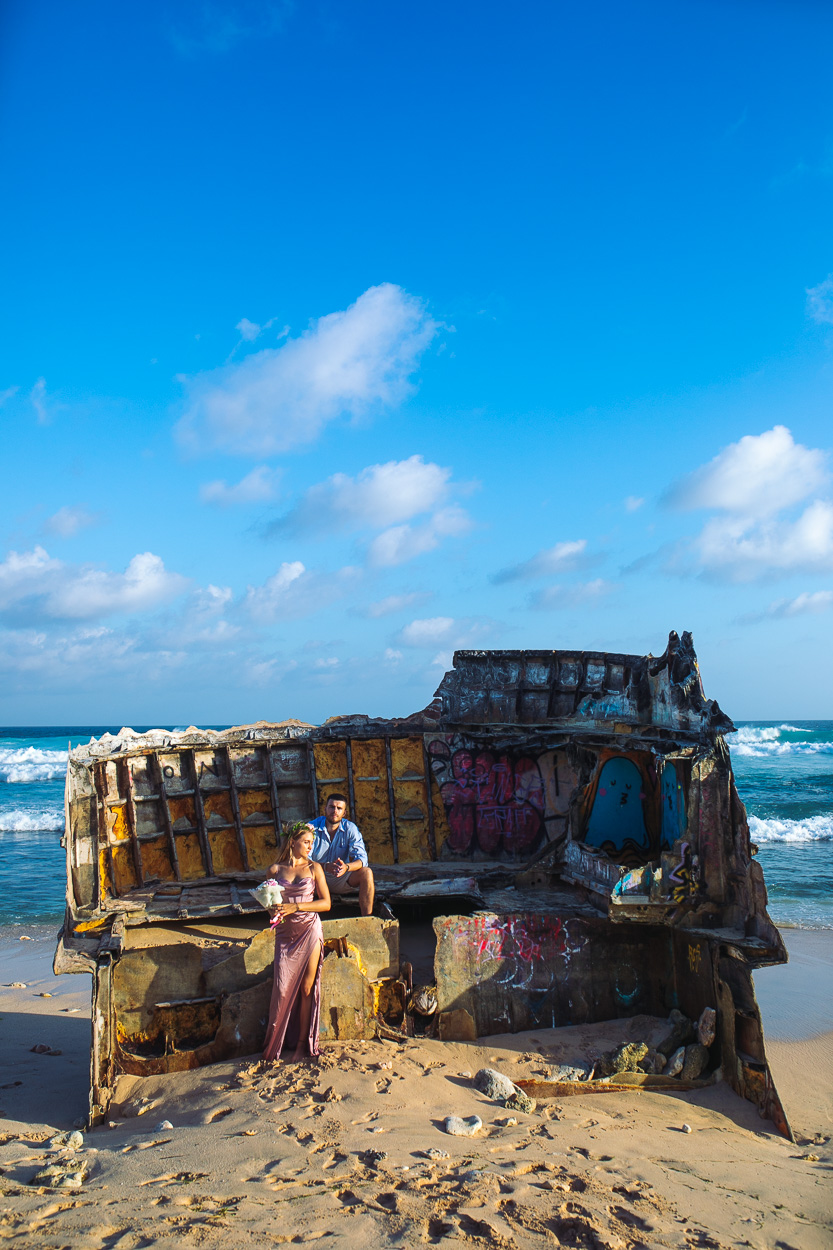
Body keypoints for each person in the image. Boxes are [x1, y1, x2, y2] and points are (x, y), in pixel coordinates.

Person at [262, 824, 331, 1064]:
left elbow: (326, 903)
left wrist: (297, 906)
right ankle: (275, 1043)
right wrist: (274, 909)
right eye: (307, 842)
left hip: (310, 929)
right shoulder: (274, 870)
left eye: (312, 842)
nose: (311, 846)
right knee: (281, 990)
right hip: (285, 934)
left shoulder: (315, 868)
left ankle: (302, 1044)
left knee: (306, 989)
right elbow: (270, 902)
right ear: (293, 842)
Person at [308, 794, 381, 917]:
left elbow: (362, 859)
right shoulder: (311, 828)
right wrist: (325, 867)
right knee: (296, 872)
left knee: (366, 872)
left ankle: (367, 919)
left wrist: (346, 867)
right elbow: (302, 860)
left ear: (344, 813)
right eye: (331, 807)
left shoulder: (350, 829)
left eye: (339, 808)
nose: (334, 811)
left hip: (341, 878)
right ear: (325, 809)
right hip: (315, 880)